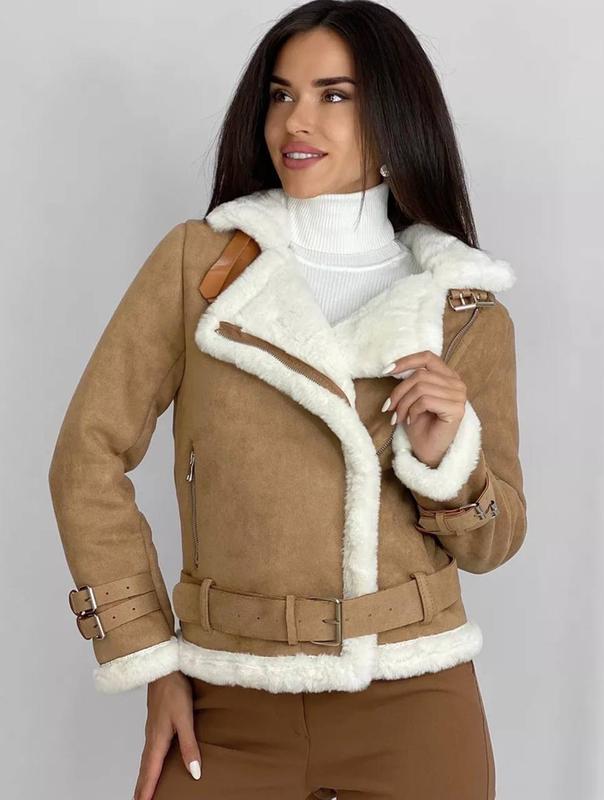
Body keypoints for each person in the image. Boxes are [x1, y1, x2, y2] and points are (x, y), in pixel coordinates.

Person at [48, 2, 527, 798]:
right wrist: (151, 658)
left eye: (334, 95)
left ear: (395, 117)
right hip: (223, 698)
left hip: (413, 703)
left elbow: (494, 542)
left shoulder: (461, 308)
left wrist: (448, 460)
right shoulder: (200, 267)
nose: (296, 120)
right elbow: (86, 456)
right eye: (281, 94)